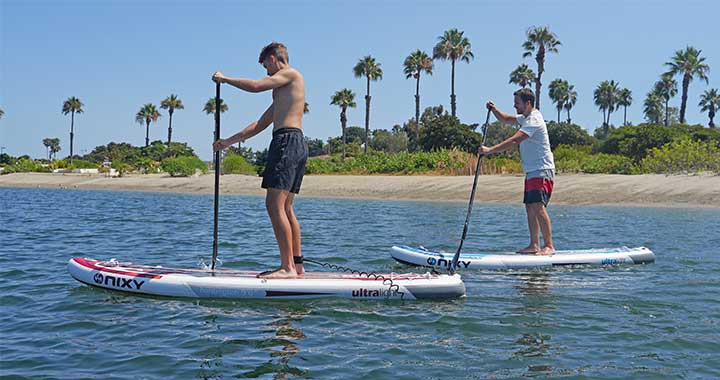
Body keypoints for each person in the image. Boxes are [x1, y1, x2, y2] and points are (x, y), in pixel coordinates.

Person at [212, 42, 308, 278]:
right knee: (286, 207)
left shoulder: (290, 74)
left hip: (287, 142)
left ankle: (287, 269)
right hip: (294, 143)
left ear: (274, 59)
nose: (266, 72)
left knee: (274, 205)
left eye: (266, 66)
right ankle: (296, 266)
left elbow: (255, 87)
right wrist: (227, 142)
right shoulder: (285, 92)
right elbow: (259, 125)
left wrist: (224, 79)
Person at [480, 88, 556, 255]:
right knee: (530, 206)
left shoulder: (534, 119)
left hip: (542, 170)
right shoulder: (525, 117)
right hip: (531, 171)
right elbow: (506, 119)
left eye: (517, 104)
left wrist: (490, 150)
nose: (515, 107)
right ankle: (534, 245)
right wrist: (494, 110)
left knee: (538, 206)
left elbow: (515, 140)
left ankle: (549, 246)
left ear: (528, 103)